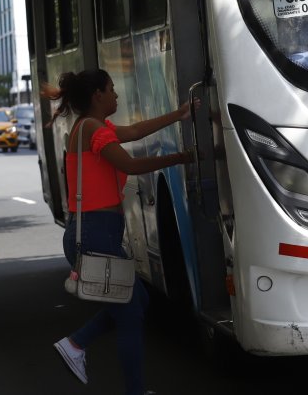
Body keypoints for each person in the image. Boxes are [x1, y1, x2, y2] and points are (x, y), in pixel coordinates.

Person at [44, 68, 196, 395]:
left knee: (136, 301)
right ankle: (132, 389)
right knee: (129, 314)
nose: (117, 95)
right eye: (112, 89)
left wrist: (180, 114)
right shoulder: (91, 129)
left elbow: (138, 129)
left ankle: (77, 343)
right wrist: (181, 157)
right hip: (95, 233)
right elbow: (129, 165)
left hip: (101, 232)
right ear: (97, 94)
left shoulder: (94, 127)